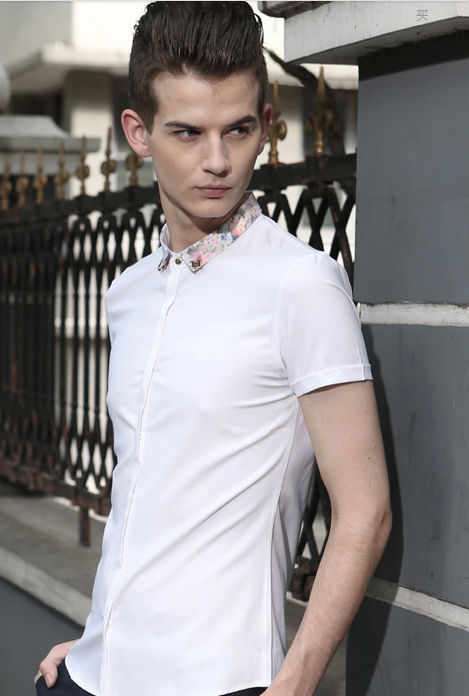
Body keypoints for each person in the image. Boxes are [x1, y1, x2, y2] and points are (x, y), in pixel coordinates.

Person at [34, 2, 392, 695]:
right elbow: (149, 495)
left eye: (238, 129)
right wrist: (99, 636)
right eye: (187, 133)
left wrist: (295, 683)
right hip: (90, 673)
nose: (219, 161)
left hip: (219, 680)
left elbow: (365, 512)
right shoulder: (128, 291)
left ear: (265, 123)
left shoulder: (300, 284)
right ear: (138, 132)